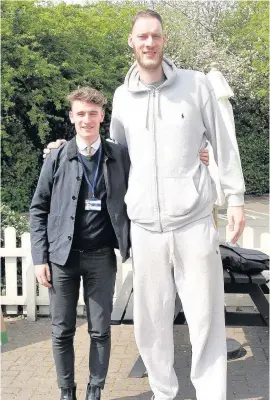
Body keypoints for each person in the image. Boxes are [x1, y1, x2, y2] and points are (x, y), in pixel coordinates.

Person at [44, 9, 245, 400]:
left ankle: (210, 393)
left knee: (205, 318)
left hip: (193, 222)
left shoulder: (196, 85)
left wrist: (234, 196)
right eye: (142, 37)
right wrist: (63, 149)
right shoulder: (122, 98)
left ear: (163, 40)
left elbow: (223, 140)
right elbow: (114, 155)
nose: (149, 43)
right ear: (132, 44)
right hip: (146, 231)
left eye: (155, 36)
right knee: (151, 323)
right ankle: (163, 392)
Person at [30, 87, 130, 400]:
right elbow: (39, 208)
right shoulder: (58, 156)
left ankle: (95, 389)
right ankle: (66, 391)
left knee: (100, 330)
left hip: (101, 258)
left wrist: (198, 155)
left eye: (93, 113)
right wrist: (39, 258)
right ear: (72, 117)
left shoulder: (119, 156)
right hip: (62, 259)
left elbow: (152, 175)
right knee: (62, 331)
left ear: (102, 116)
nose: (87, 119)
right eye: (81, 113)